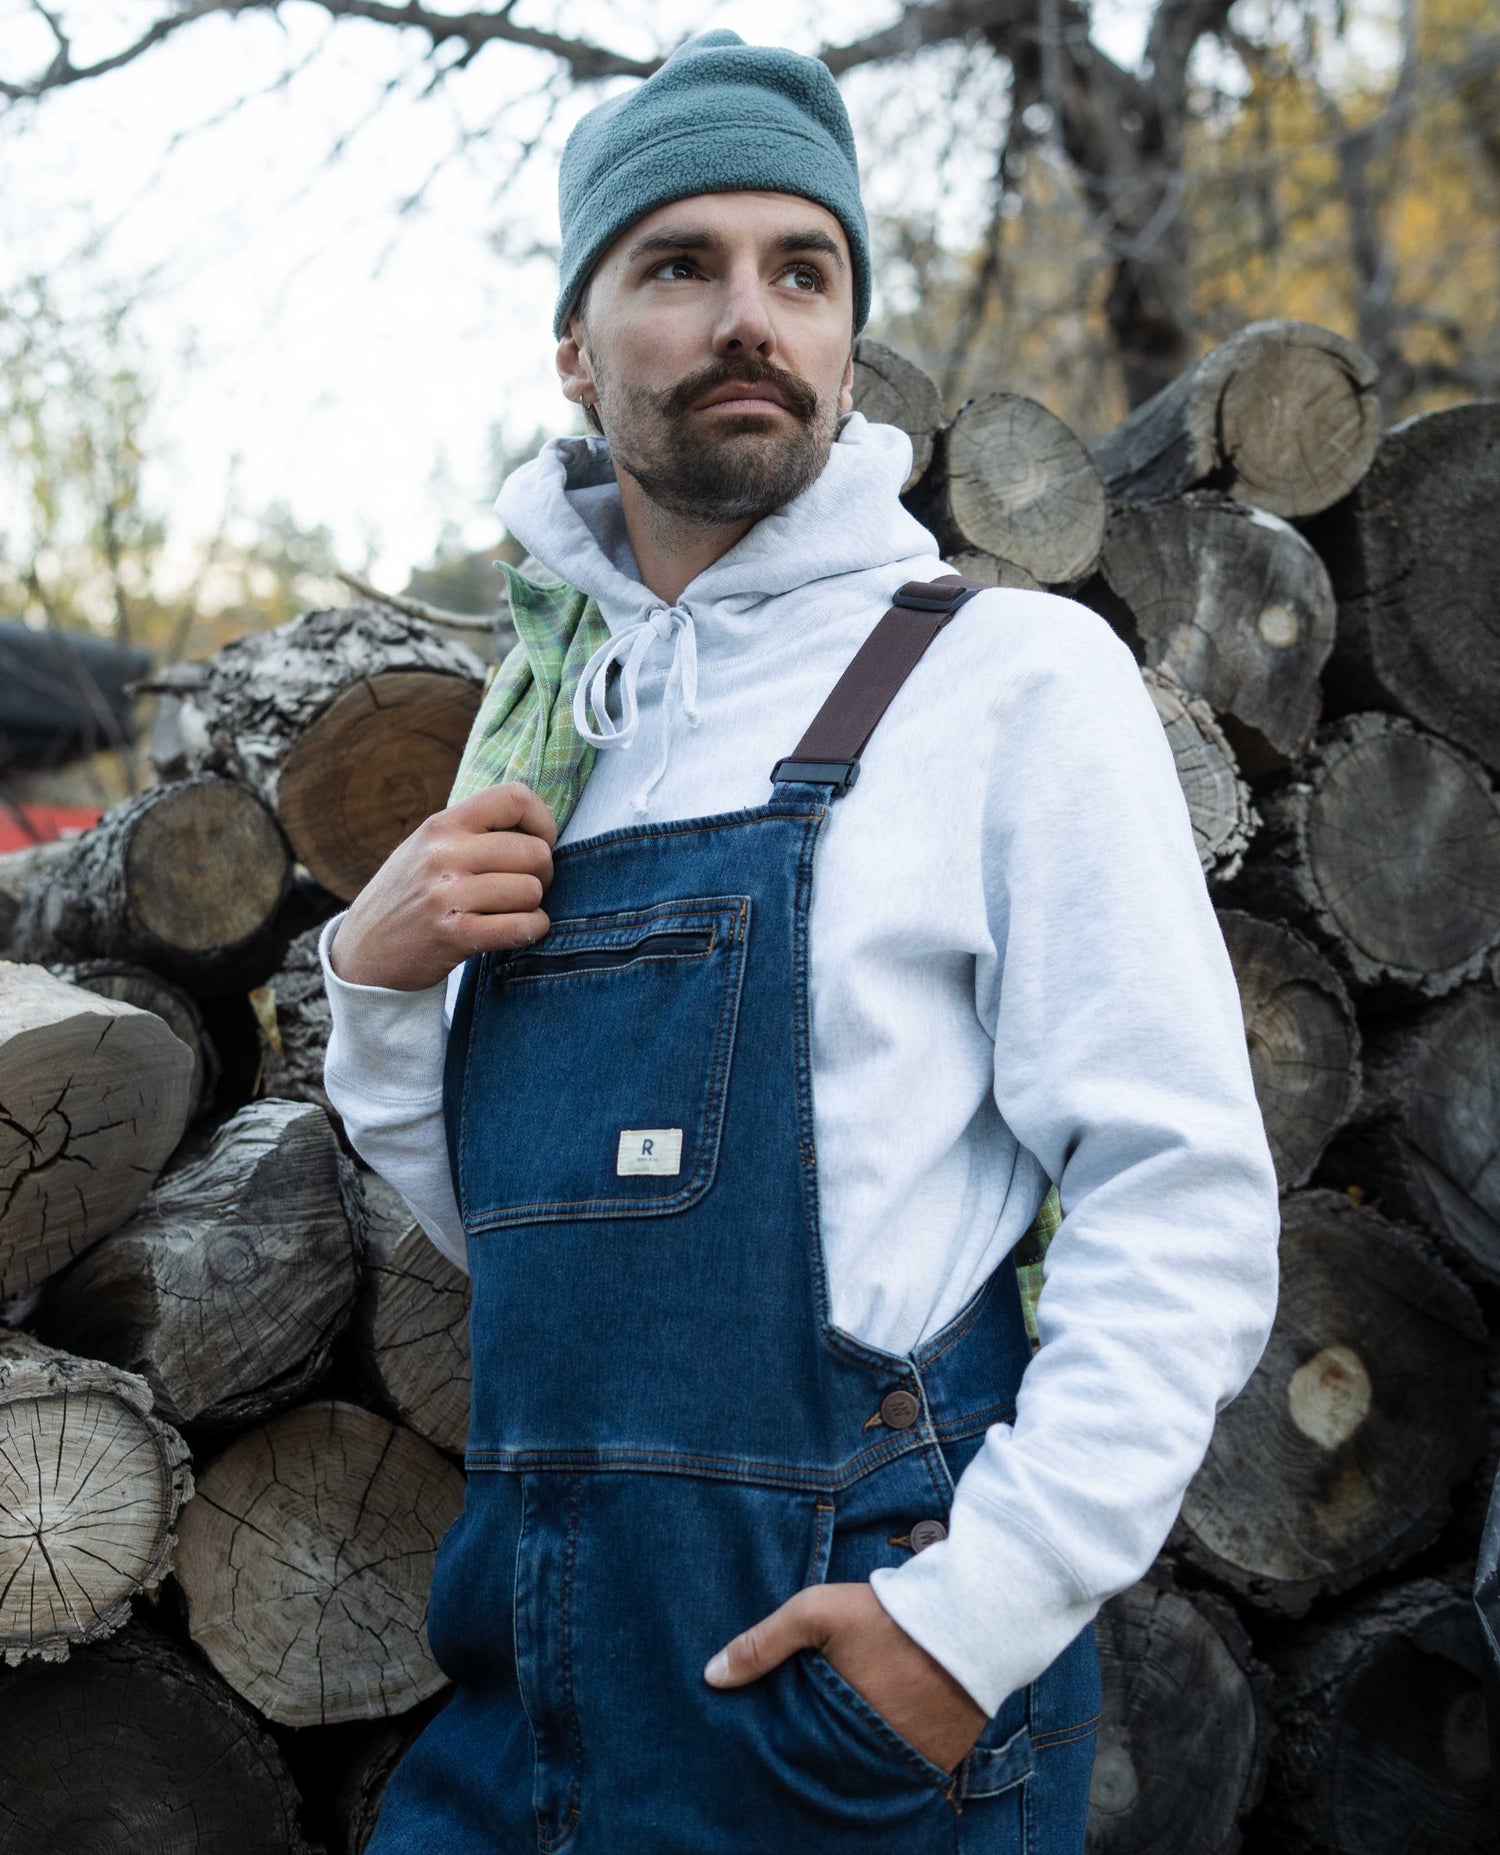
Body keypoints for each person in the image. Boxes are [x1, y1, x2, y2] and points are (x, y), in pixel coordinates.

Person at [319, 28, 1279, 1853]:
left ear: (845, 337)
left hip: (840, 1696)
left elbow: (1186, 1199)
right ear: (577, 347)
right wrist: (373, 989)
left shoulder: (1007, 680)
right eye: (679, 265)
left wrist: (962, 1630)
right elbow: (525, 1242)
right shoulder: (541, 727)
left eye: (802, 269)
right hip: (523, 1694)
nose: (749, 315)